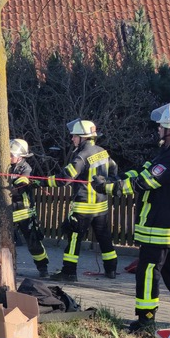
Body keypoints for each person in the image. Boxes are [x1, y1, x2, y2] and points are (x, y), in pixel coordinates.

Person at [93, 103, 170, 333]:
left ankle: (145, 320)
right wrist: (115, 179)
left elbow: (145, 182)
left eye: (161, 126)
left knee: (148, 270)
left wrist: (110, 189)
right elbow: (143, 171)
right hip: (167, 221)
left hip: (163, 223)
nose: (158, 130)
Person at [48, 119, 118, 281]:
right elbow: (114, 170)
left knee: (74, 239)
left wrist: (43, 181)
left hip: (83, 206)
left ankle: (69, 272)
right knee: (104, 238)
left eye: (75, 136)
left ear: (83, 138)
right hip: (101, 206)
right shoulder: (103, 152)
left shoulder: (81, 156)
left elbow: (65, 178)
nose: (72, 139)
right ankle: (111, 269)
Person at [0, 138, 49, 278]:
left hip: (24, 212)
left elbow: (22, 183)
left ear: (20, 156)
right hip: (6, 211)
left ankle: (43, 268)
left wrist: (12, 186)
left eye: (11, 155)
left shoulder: (25, 168)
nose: (8, 157)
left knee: (33, 242)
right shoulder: (2, 166)